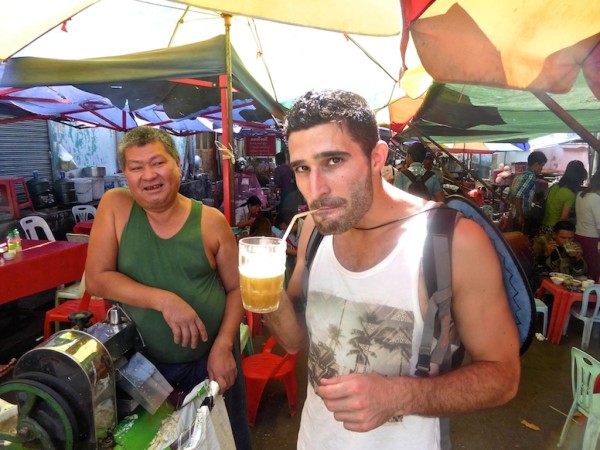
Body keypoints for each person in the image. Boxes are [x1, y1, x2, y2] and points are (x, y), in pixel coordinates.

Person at [263, 89, 520, 449]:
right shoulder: (313, 231)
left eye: (333, 161)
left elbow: (503, 377)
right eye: (303, 168)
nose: (316, 189)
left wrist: (399, 396)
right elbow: (293, 343)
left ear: (376, 157)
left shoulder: (451, 242)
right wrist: (264, 291)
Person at [85, 127, 251, 449]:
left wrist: (223, 346)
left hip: (209, 363)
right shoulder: (116, 206)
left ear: (177, 163)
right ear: (125, 174)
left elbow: (237, 290)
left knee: (222, 441)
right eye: (136, 167)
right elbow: (97, 278)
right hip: (141, 369)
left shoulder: (211, 222)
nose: (149, 175)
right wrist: (164, 300)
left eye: (158, 163)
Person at [507, 151, 548, 235]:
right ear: (536, 164)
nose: (542, 168)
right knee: (520, 239)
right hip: (520, 215)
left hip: (513, 214)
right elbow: (518, 197)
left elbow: (510, 197)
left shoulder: (520, 175)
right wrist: (521, 215)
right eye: (542, 165)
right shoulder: (530, 176)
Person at [542, 160, 587, 229]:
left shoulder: (554, 187)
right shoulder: (569, 194)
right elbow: (563, 218)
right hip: (554, 229)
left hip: (544, 225)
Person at [575, 171, 600, 282]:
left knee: (583, 269)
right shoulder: (595, 198)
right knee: (592, 271)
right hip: (592, 240)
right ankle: (590, 296)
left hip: (579, 236)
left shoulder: (580, 195)